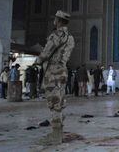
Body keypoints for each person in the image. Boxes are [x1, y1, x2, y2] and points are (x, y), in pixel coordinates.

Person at [35, 10, 75, 145]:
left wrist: (38, 61)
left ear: (58, 20)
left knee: (54, 103)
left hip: (53, 71)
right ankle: (58, 134)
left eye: (55, 19)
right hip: (63, 70)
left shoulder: (57, 34)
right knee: (60, 102)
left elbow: (47, 51)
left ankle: (55, 136)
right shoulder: (70, 37)